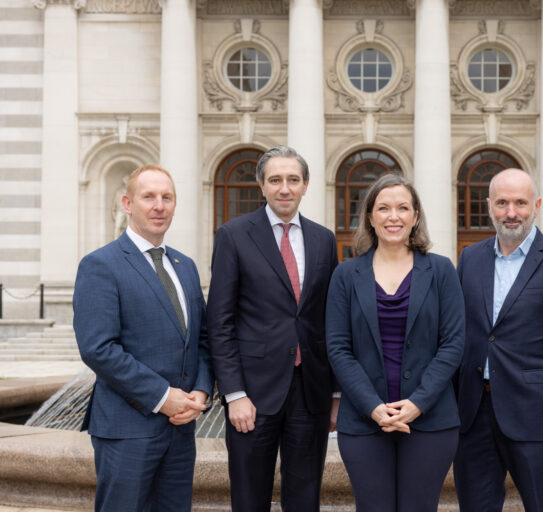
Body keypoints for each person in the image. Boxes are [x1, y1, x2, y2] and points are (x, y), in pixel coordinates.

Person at [73, 165, 213, 512]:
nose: (159, 206)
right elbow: (98, 348)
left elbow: (203, 339)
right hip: (127, 429)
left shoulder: (186, 266)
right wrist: (163, 397)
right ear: (127, 203)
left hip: (180, 432)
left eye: (167, 198)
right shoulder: (101, 264)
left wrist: (201, 389)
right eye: (148, 197)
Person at [207, 146, 339, 511]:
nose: (285, 188)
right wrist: (233, 394)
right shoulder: (233, 235)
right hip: (253, 396)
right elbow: (219, 322)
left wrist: (335, 395)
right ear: (261, 186)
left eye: (293, 180)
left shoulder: (323, 240)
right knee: (250, 500)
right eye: (276, 180)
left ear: (306, 185)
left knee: (304, 500)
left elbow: (330, 321)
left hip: (310, 394)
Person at [453, 168, 543, 511]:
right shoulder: (470, 258)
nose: (511, 212)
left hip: (536, 419)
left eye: (519, 202)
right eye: (502, 203)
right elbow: (462, 335)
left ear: (537, 205)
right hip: (474, 415)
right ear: (489, 206)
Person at [326, 173, 465, 512]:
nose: (393, 216)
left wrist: (418, 403)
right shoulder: (346, 274)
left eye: (403, 208)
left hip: (430, 421)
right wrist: (372, 407)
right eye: (384, 208)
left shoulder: (441, 270)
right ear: (371, 217)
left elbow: (453, 343)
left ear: (415, 216)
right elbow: (338, 348)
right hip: (363, 422)